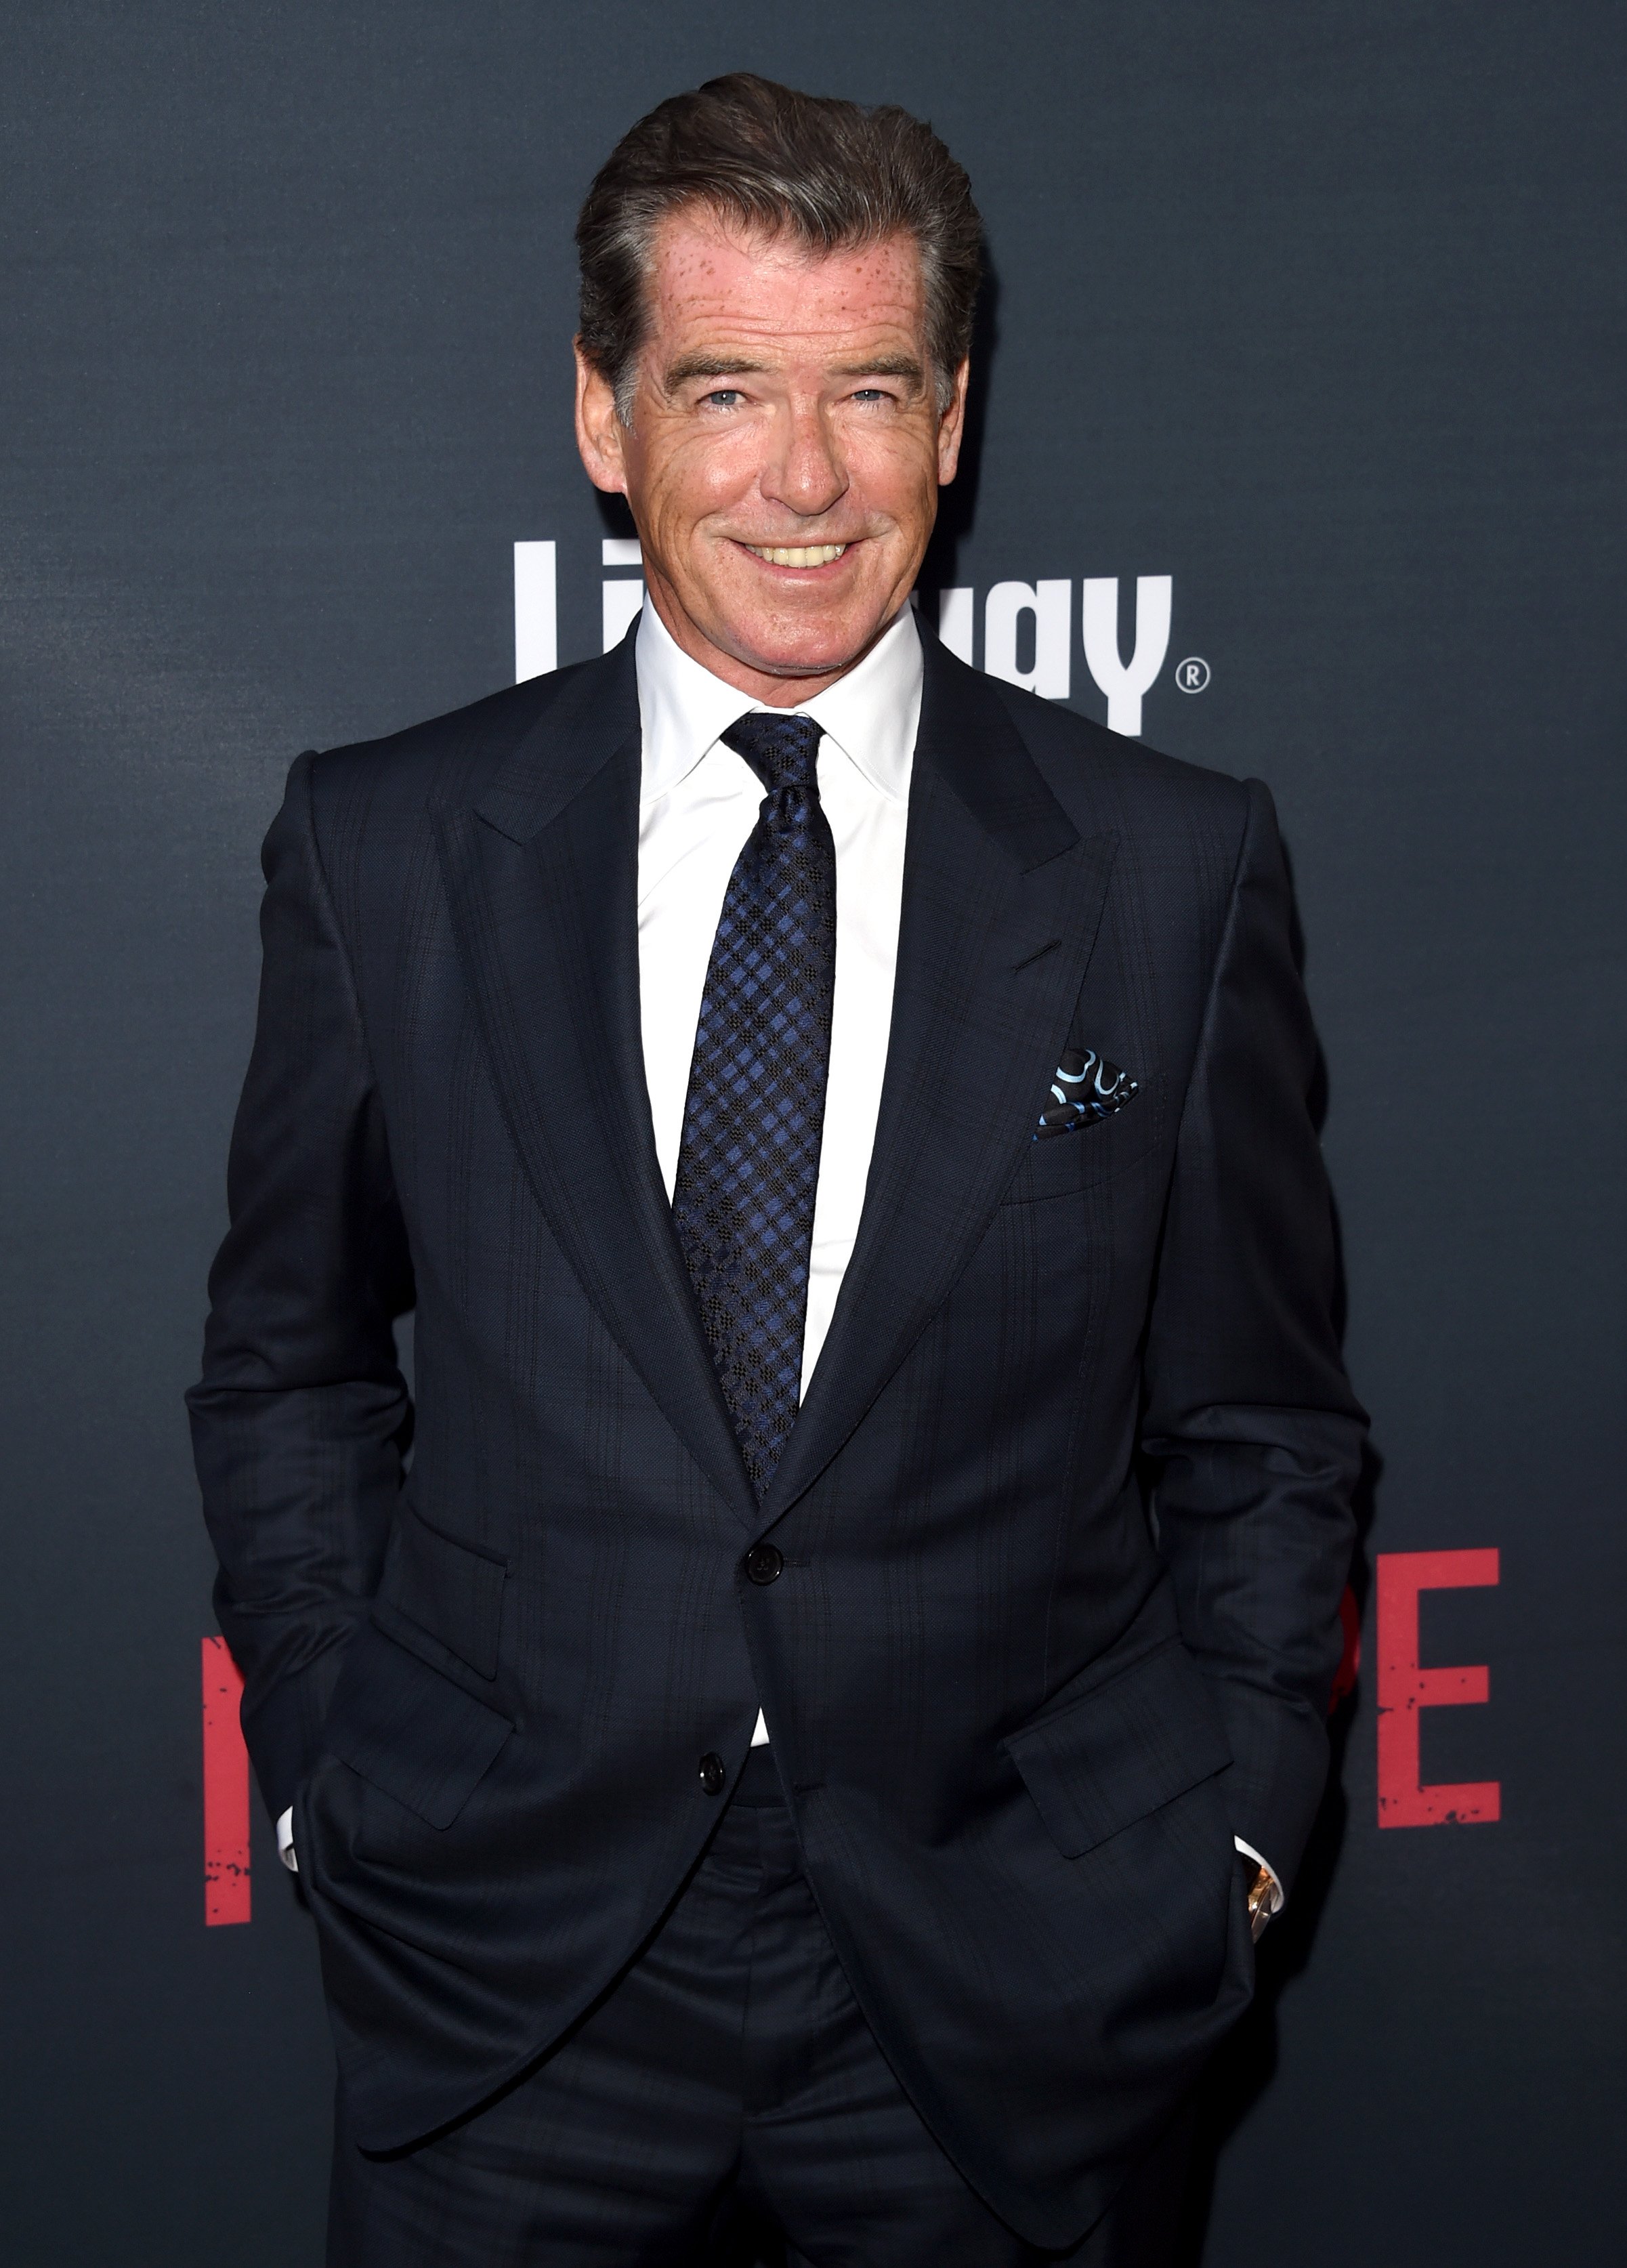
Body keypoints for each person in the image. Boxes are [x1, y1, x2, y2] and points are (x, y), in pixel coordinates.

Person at [189, 72, 1365, 2267]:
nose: (803, 479)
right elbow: (289, 1366)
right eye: (725, 389)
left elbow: (1263, 1424)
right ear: (604, 420)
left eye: (869, 392)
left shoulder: (1168, 865)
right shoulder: (385, 846)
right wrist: (335, 1763)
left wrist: (1230, 1846)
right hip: (508, 1954)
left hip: (1013, 1961)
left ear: (953, 419)